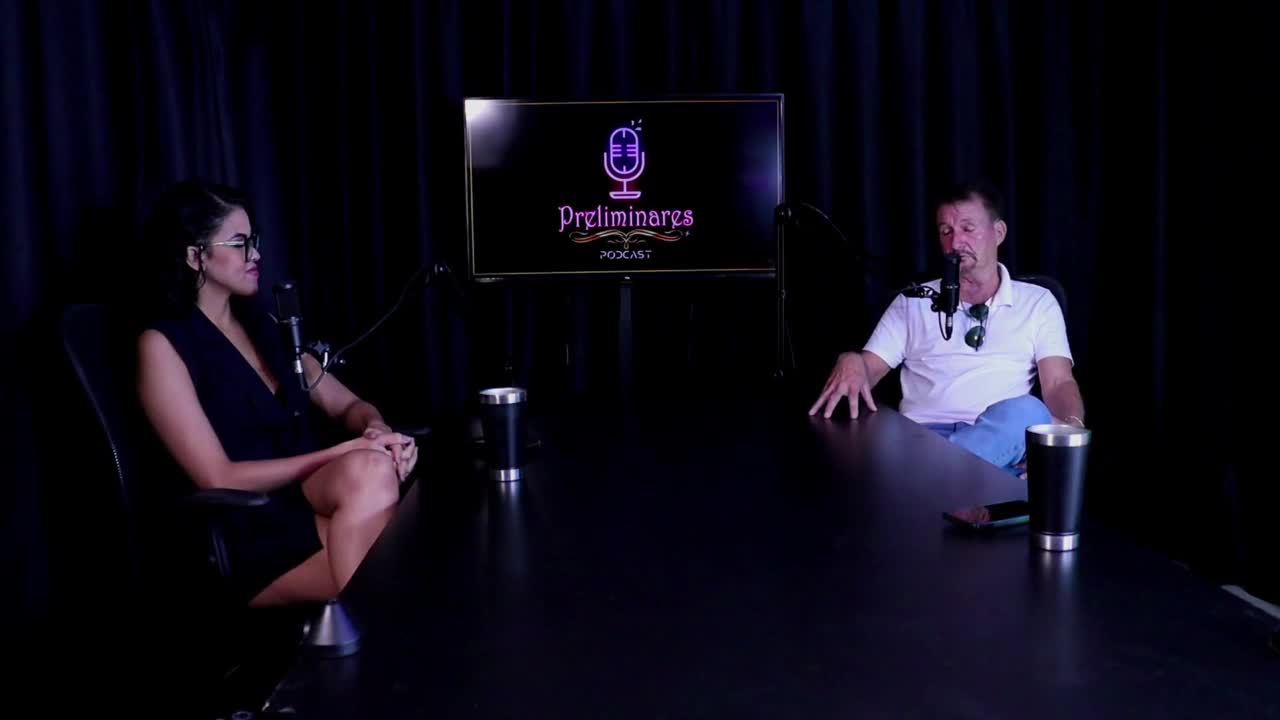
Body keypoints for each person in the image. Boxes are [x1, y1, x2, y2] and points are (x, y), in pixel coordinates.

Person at [136, 179, 417, 607]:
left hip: (303, 501)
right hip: (245, 524)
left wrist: (378, 432)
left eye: (255, 242)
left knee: (374, 470)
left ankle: (368, 640)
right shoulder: (162, 346)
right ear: (195, 256)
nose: (256, 255)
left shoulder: (264, 326)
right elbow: (218, 477)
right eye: (240, 244)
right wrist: (342, 452)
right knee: (393, 558)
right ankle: (380, 635)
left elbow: (348, 404)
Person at [808, 180, 1085, 475]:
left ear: (999, 233)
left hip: (1001, 441)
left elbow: (1058, 383)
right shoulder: (913, 301)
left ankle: (939, 480)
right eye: (946, 231)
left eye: (968, 228)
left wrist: (1067, 438)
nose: (955, 243)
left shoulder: (1038, 301)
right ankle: (957, 480)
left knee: (1028, 411)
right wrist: (853, 360)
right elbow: (869, 369)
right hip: (922, 439)